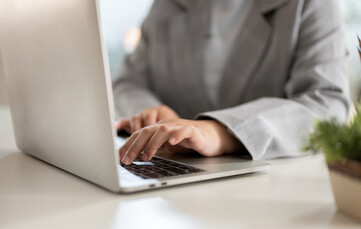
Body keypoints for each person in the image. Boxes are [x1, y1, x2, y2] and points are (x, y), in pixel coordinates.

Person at [113, 0, 351, 165]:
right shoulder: (168, 4)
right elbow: (128, 82)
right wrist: (149, 116)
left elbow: (327, 105)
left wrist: (224, 131)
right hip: (174, 174)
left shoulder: (309, 4)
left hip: (267, 187)